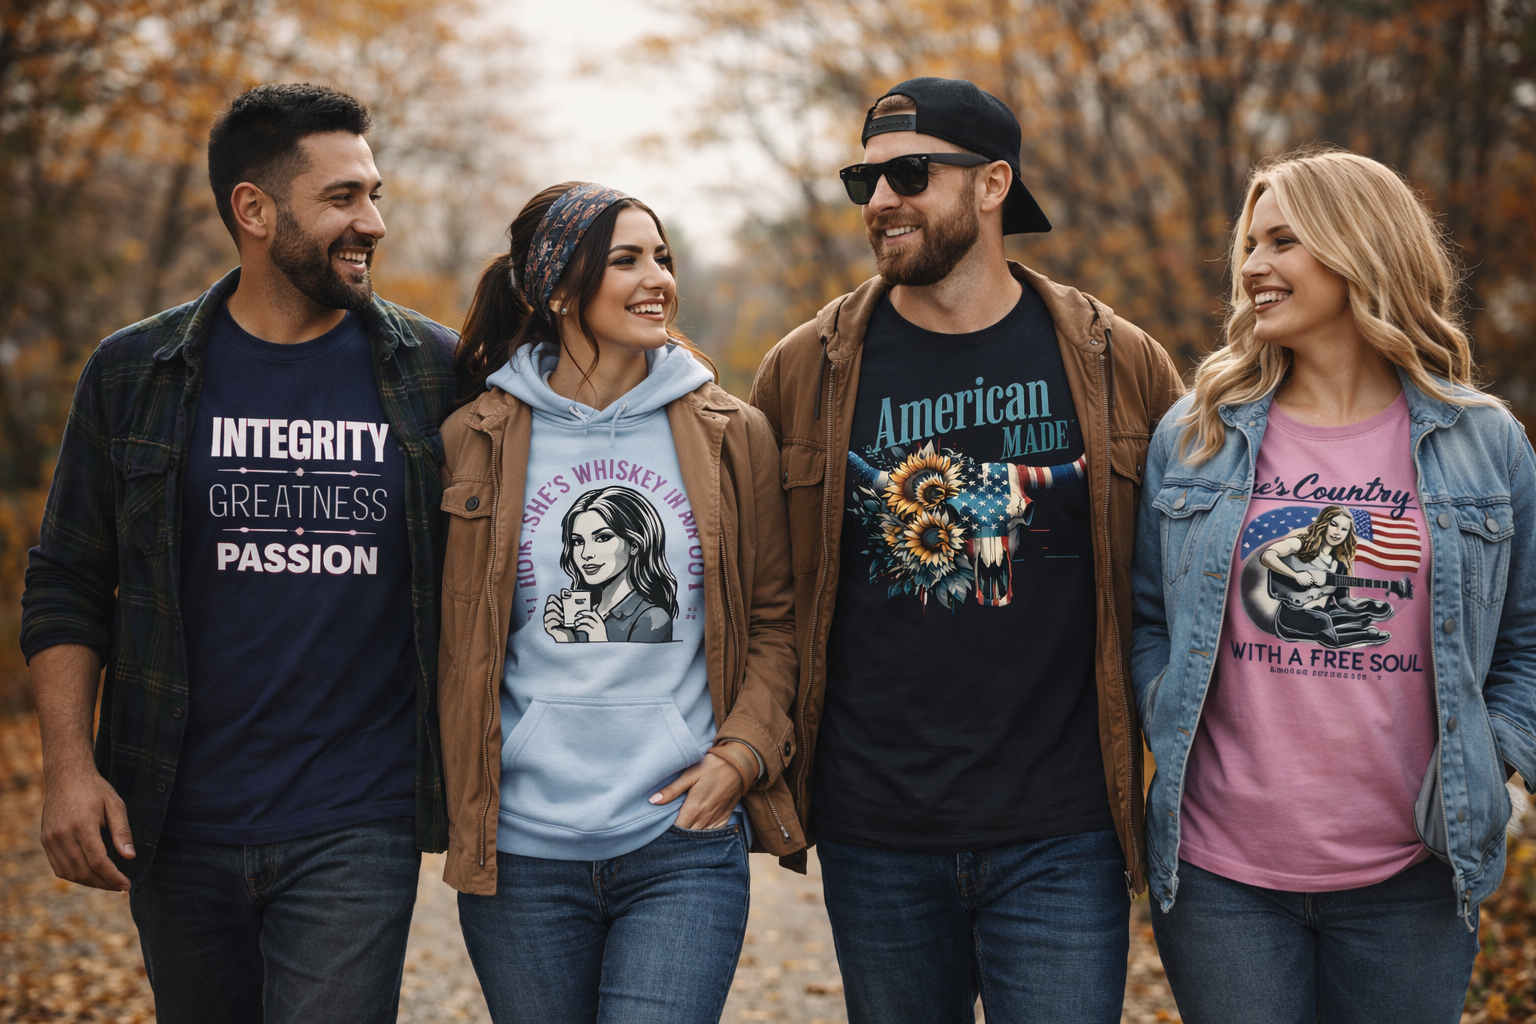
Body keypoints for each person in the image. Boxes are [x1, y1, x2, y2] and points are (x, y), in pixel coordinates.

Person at [18, 84, 458, 1022]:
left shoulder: (434, 371)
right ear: (253, 210)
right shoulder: (135, 371)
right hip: (174, 817)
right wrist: (68, 767)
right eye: (342, 198)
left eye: (374, 195)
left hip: (358, 819)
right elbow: (66, 578)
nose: (372, 222)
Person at [748, 77, 1183, 1022]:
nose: (880, 202)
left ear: (993, 186)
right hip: (875, 830)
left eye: (909, 174)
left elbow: (1182, 580)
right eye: (862, 181)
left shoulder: (1119, 360)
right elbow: (762, 596)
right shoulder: (802, 370)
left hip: (1065, 828)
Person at [1131, 148, 1536, 1023]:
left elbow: (1528, 639)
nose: (1249, 268)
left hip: (1411, 875)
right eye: (1248, 243)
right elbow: (1147, 616)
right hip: (1221, 873)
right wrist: (1165, 700)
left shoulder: (1483, 441)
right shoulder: (1197, 432)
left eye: (1281, 242)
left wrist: (1489, 757)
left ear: (1359, 248)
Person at [436, 181, 804, 1024]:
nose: (658, 280)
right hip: (520, 853)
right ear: (558, 288)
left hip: (680, 842)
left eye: (664, 258)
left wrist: (741, 755)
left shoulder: (729, 431)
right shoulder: (475, 437)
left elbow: (777, 623)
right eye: (627, 259)